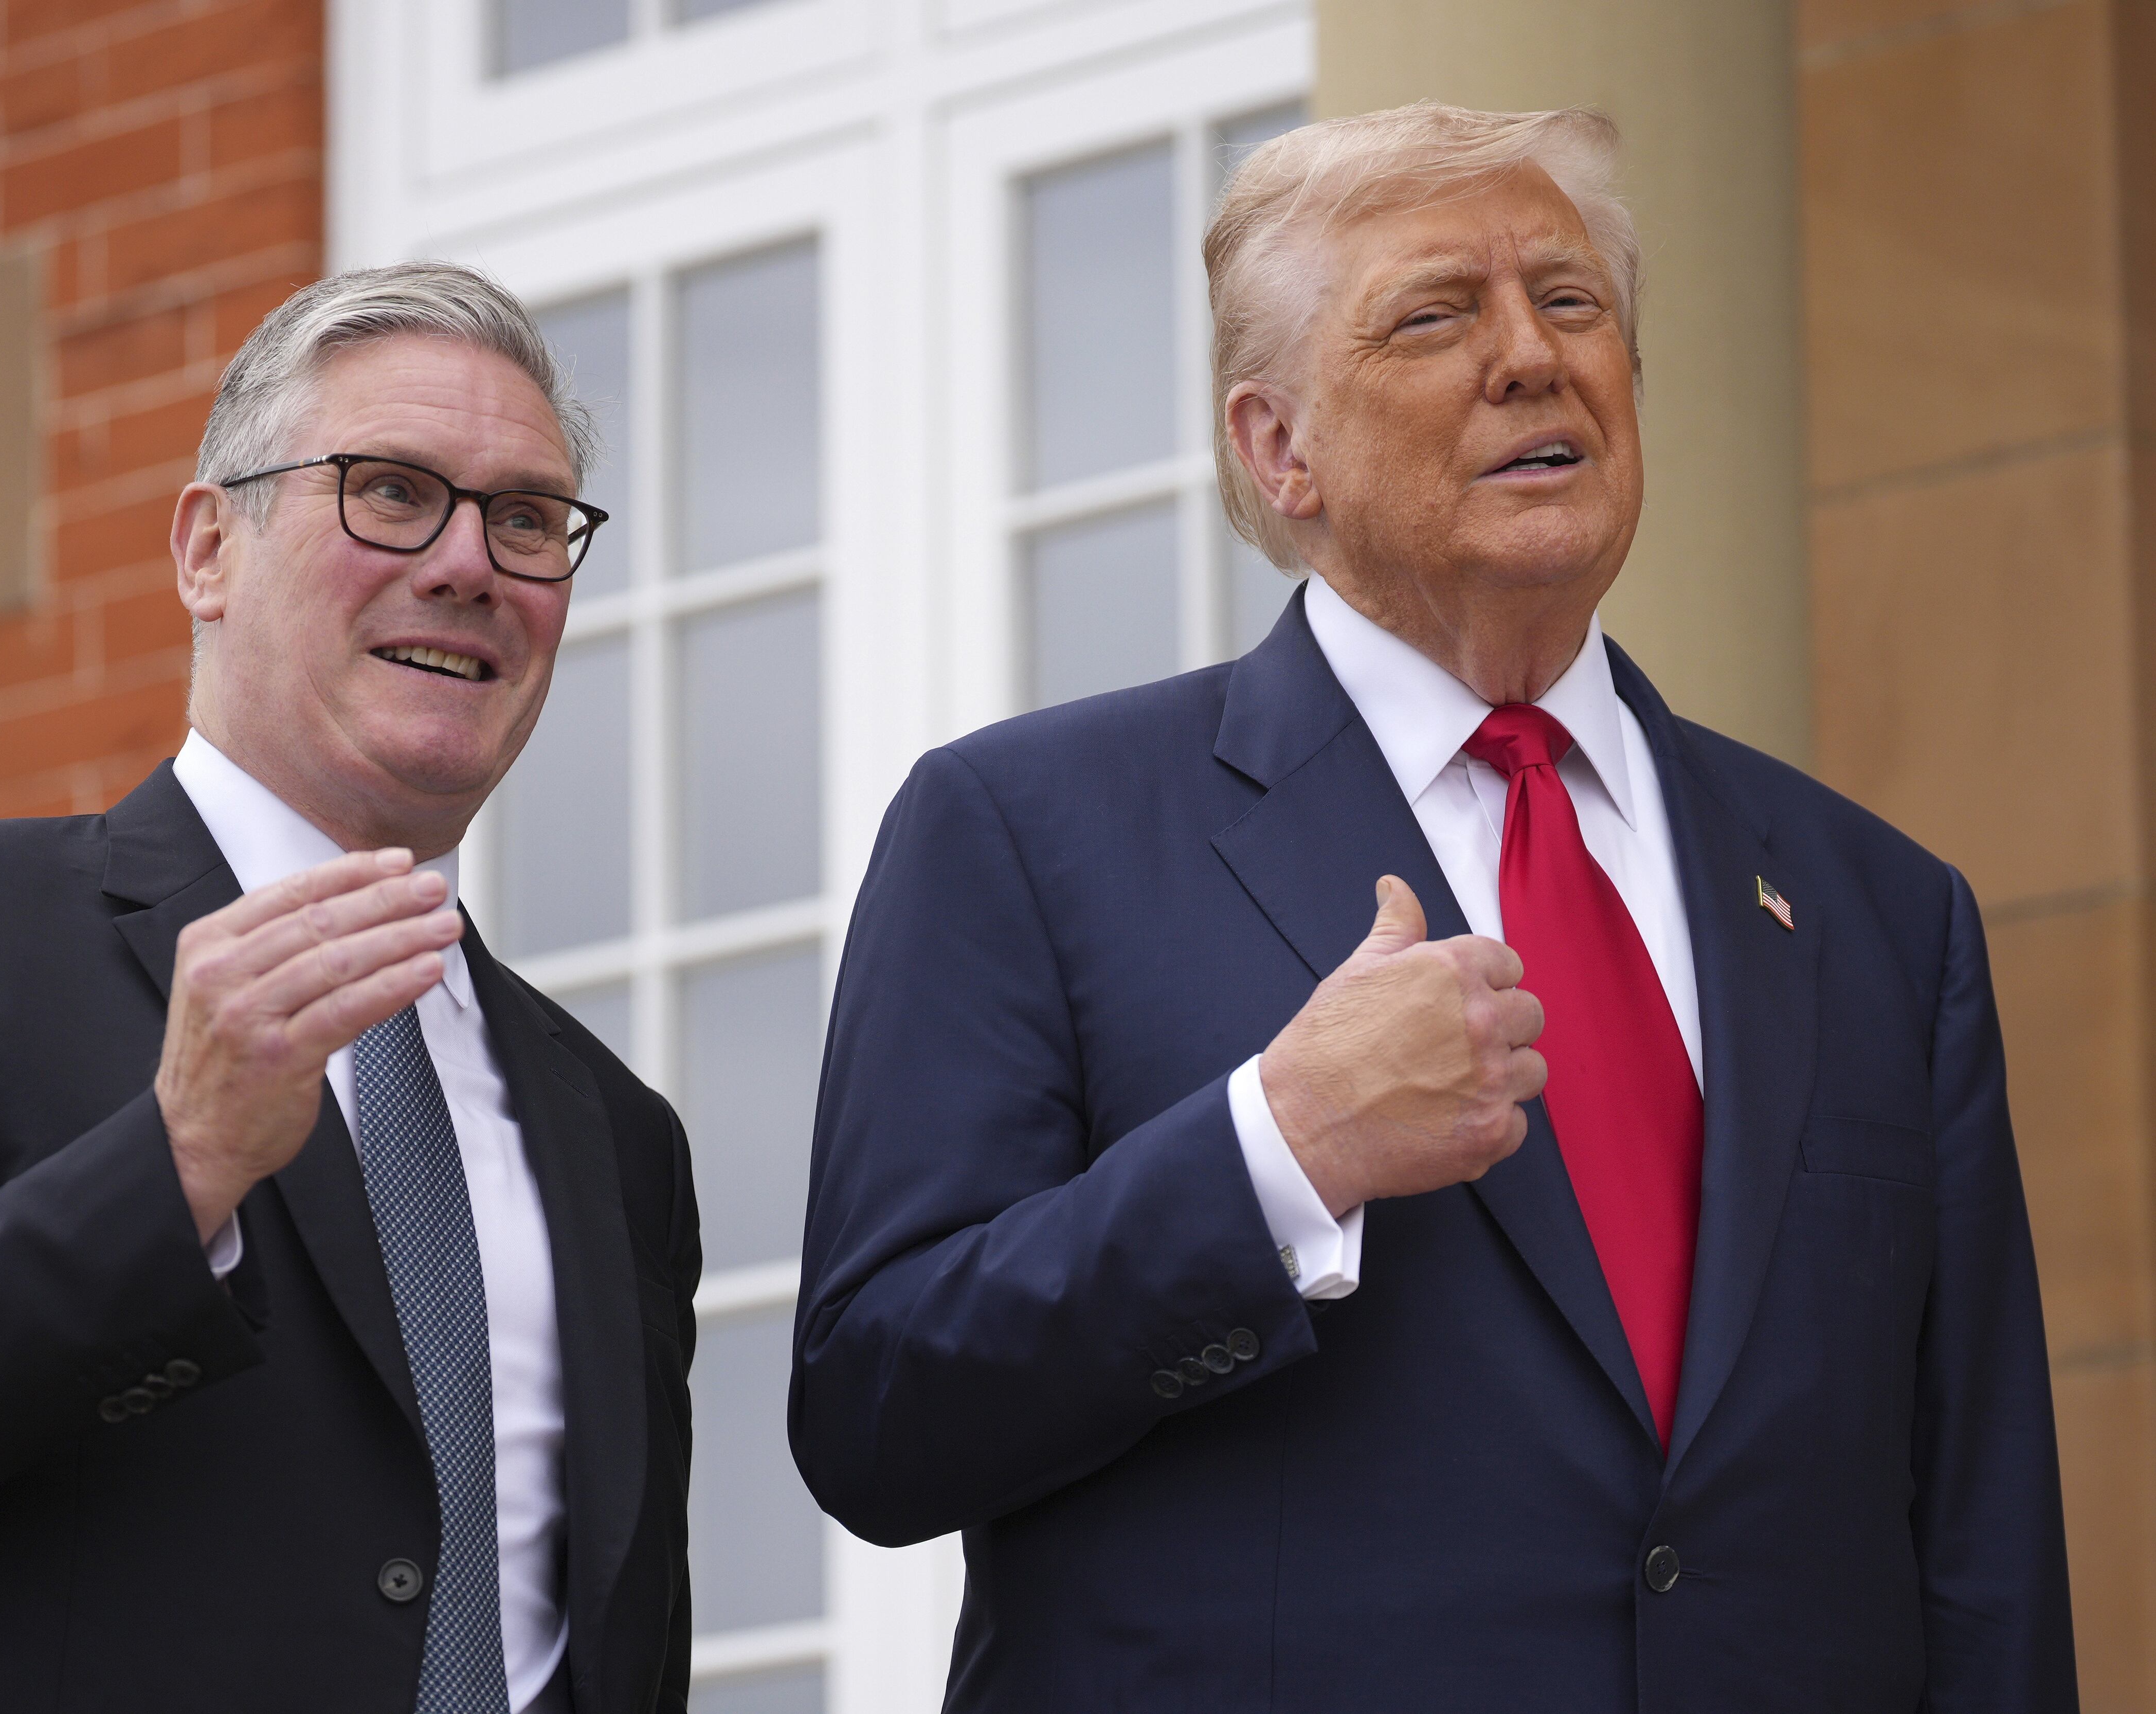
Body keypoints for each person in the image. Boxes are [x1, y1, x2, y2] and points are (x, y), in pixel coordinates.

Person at [793, 104, 2074, 1710]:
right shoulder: (1026, 833)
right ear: (1280, 448)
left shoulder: (1883, 909)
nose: (1533, 358)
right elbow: (878, 1415)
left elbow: (1983, 1539)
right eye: (1436, 316)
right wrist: (1277, 1149)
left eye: (1573, 303)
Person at [0, 263, 697, 1714]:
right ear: (208, 549)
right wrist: (175, 1169)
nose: (470, 563)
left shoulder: (616, 1133)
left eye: (527, 520)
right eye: (392, 492)